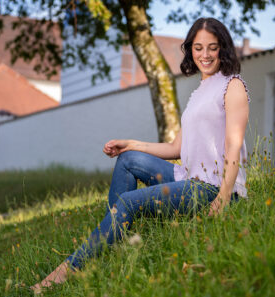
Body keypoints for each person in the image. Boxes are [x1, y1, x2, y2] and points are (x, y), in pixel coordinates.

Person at [32, 17, 249, 291]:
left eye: (212, 47)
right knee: (128, 160)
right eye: (198, 48)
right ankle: (116, 239)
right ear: (190, 51)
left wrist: (224, 196)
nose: (204, 55)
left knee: (129, 203)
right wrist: (130, 144)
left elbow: (234, 145)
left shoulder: (233, 86)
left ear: (223, 49)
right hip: (188, 178)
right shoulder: (198, 94)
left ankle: (67, 271)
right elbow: (175, 149)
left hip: (210, 188)